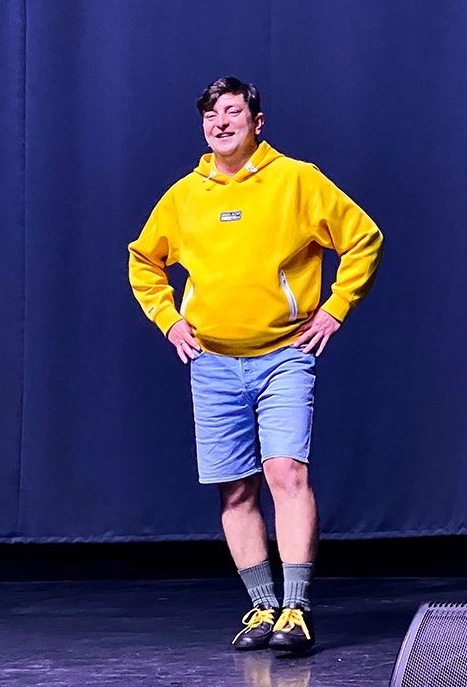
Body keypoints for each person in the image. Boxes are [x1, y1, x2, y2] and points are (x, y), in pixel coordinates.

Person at [128, 77, 383, 653]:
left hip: (284, 355)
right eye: (211, 115)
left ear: (256, 122)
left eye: (232, 112)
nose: (221, 123)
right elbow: (144, 260)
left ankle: (297, 609)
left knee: (286, 474)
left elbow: (364, 238)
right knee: (235, 490)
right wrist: (169, 320)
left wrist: (336, 308)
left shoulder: (297, 180)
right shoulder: (185, 195)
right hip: (213, 362)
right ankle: (262, 607)